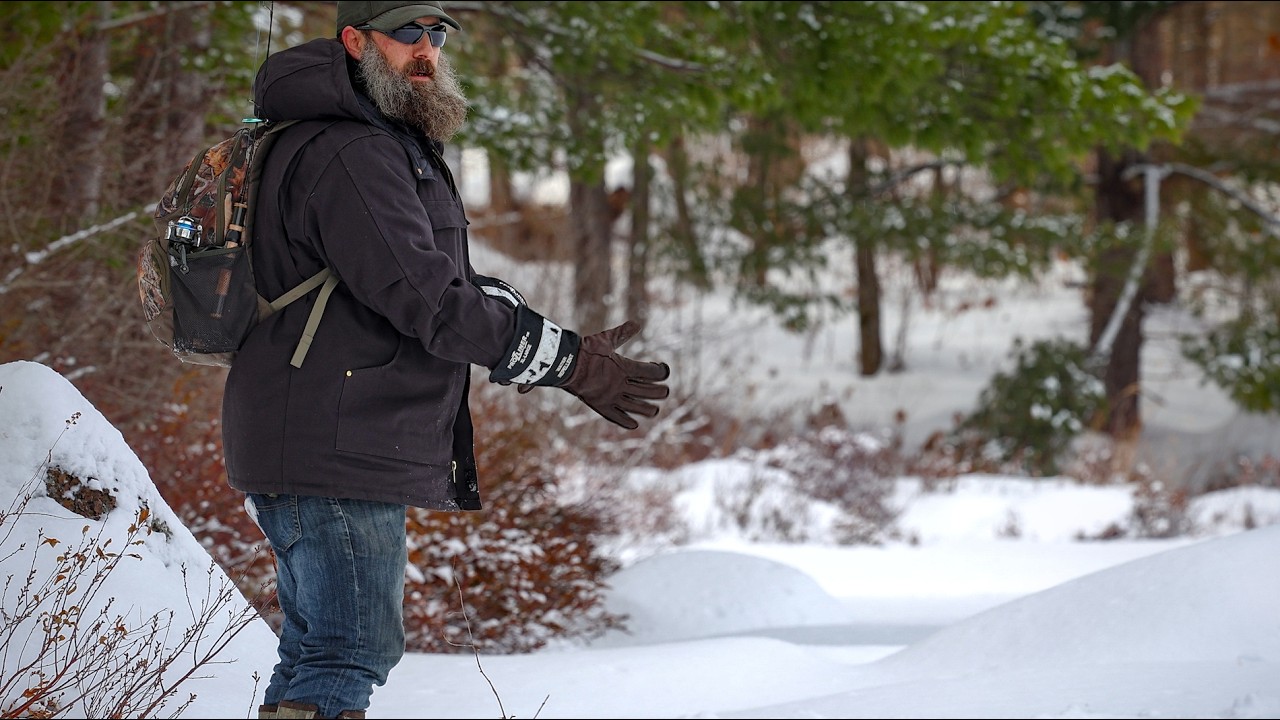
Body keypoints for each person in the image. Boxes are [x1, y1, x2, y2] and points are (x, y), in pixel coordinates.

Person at [220, 3, 672, 718]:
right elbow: (428, 301)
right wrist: (571, 367)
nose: (424, 49)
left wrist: (558, 345)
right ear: (355, 41)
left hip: (318, 436)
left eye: (435, 34)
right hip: (335, 442)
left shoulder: (371, 141)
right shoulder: (352, 153)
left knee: (319, 652)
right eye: (406, 34)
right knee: (347, 651)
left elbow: (438, 280)